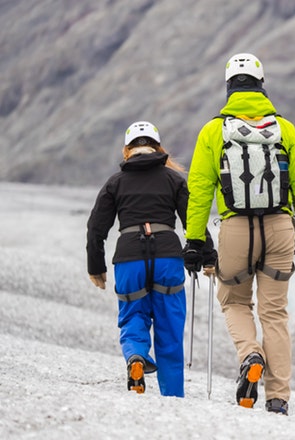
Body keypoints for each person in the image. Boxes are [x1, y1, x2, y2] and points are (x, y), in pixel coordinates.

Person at [183, 53, 295, 415]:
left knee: (234, 301)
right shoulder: (285, 130)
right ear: (261, 85)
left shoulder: (213, 131)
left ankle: (250, 355)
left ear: (229, 87)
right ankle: (278, 398)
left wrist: (195, 241)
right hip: (279, 228)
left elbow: (199, 191)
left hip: (236, 229)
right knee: (274, 314)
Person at [86, 121, 215, 397]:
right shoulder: (173, 179)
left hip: (129, 257)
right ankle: (173, 397)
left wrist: (95, 266)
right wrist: (208, 256)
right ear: (158, 147)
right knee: (169, 329)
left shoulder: (115, 182)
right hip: (168, 256)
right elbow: (193, 220)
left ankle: (136, 357)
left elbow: (96, 228)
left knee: (133, 315)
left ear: (126, 150)